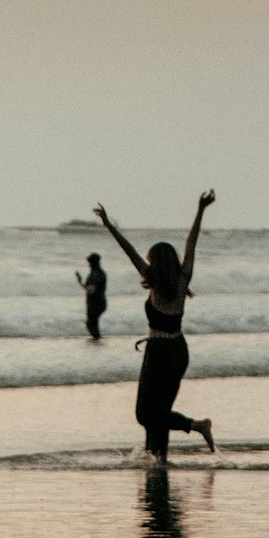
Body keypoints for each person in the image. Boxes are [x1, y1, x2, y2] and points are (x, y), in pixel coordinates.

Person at [93, 191, 217, 459]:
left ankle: (196, 426)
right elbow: (191, 243)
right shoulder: (184, 279)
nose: (146, 262)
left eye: (150, 259)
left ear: (155, 263)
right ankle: (157, 460)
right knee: (159, 411)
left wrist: (108, 225)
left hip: (160, 352)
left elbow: (128, 251)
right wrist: (200, 209)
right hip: (179, 351)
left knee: (145, 414)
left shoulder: (153, 279)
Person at [75, 252, 107, 340]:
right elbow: (88, 288)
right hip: (95, 302)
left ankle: (97, 340)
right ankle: (97, 339)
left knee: (91, 324)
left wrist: (83, 284)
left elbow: (91, 289)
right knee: (91, 324)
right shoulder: (95, 273)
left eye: (90, 262)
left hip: (96, 302)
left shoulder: (98, 274)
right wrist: (80, 281)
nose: (89, 265)